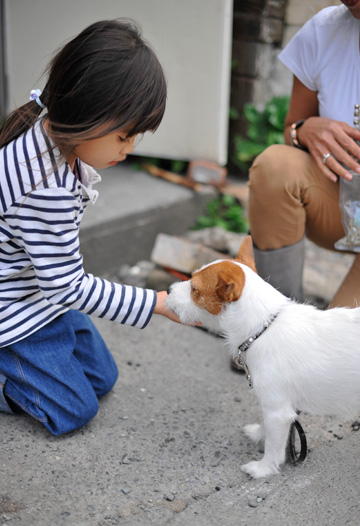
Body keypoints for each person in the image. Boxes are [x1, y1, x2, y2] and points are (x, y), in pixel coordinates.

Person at [0, 19, 187, 436]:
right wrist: (156, 304)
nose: (130, 148)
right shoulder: (42, 188)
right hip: (11, 311)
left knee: (103, 378)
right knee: (74, 410)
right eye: (124, 136)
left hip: (38, 294)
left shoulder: (52, 132)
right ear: (87, 113)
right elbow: (66, 287)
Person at [248, 0, 360, 306]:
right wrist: (305, 129)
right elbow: (291, 128)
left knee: (338, 347)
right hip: (341, 204)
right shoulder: (324, 30)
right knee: (275, 165)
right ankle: (274, 319)